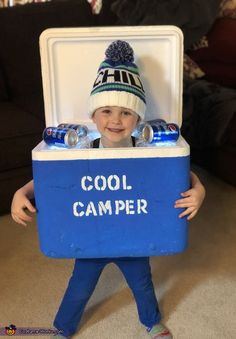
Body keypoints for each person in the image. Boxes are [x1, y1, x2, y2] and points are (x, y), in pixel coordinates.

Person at [11, 40, 205, 339]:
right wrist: (22, 191)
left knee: (142, 282)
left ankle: (151, 322)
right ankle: (62, 328)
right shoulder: (83, 146)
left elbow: (175, 172)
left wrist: (199, 189)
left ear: (138, 118)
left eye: (126, 113)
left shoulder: (147, 146)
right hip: (93, 234)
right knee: (80, 285)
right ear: (93, 116)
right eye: (106, 111)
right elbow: (56, 178)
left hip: (134, 233)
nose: (115, 120)